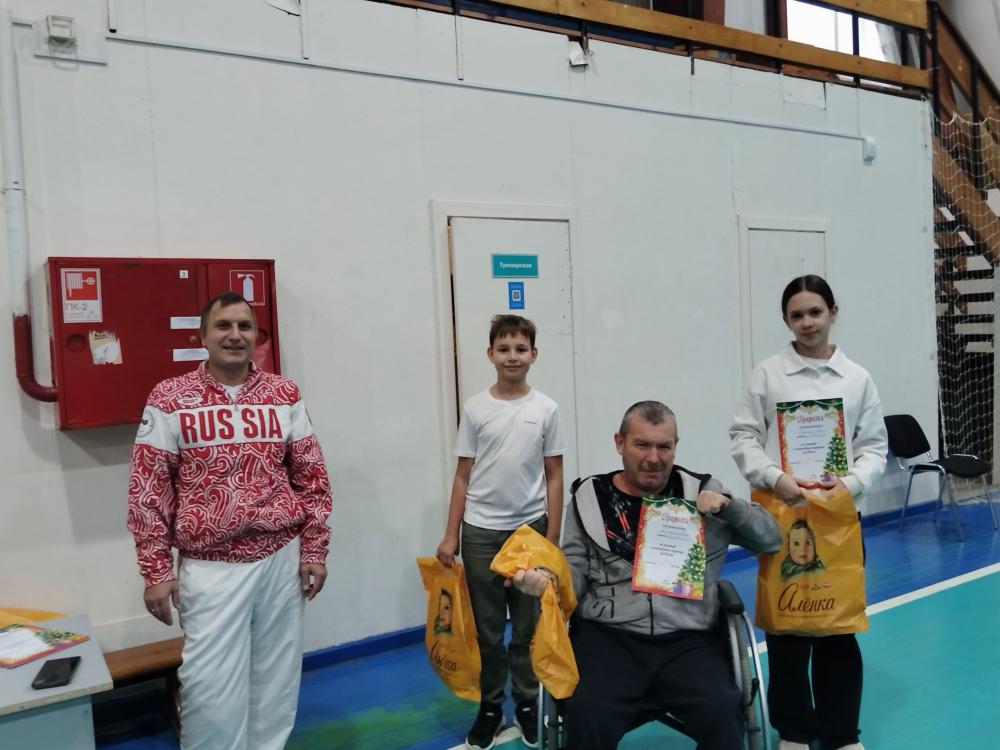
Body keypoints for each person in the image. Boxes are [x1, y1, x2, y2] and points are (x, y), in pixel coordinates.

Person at [127, 291, 333, 750]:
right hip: (210, 566)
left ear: (256, 336)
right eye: (223, 326)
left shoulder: (283, 394)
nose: (235, 335)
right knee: (209, 687)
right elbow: (148, 491)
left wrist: (314, 549)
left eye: (244, 326)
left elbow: (312, 477)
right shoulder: (170, 399)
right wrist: (156, 572)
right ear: (203, 336)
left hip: (280, 559)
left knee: (275, 681)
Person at [513, 400, 781, 750]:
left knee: (722, 710)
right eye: (642, 445)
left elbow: (771, 540)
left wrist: (731, 508)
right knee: (586, 714)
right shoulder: (589, 499)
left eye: (663, 446)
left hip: (687, 640)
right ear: (620, 442)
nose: (654, 458)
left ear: (675, 446)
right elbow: (573, 573)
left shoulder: (701, 490)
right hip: (609, 638)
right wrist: (549, 582)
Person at [730, 274, 887, 750]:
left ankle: (842, 734)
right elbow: (743, 436)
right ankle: (795, 730)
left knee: (838, 630)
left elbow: (874, 447)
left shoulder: (857, 378)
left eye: (815, 312)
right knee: (787, 630)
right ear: (786, 320)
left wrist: (851, 484)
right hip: (782, 515)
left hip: (838, 519)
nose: (807, 322)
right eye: (797, 315)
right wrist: (775, 477)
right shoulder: (767, 375)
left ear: (832, 313)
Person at [436, 314, 565, 750]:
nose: (513, 357)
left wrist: (551, 539)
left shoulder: (546, 409)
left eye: (521, 349)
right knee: (488, 632)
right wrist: (451, 535)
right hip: (479, 534)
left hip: (529, 534)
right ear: (490, 354)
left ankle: (527, 702)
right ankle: (491, 706)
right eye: (504, 349)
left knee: (527, 628)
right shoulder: (476, 409)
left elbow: (554, 475)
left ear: (534, 354)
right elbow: (462, 476)